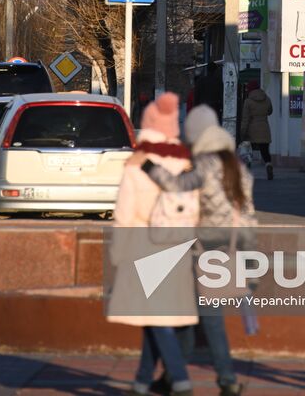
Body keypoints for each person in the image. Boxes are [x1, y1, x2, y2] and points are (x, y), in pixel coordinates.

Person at [136, 104, 255, 396]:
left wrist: (151, 168)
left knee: (205, 320)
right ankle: (172, 378)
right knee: (196, 318)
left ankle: (222, 380)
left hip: (203, 252)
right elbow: (249, 216)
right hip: (231, 249)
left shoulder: (205, 164)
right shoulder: (238, 167)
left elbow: (178, 186)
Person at [108, 92, 195, 396]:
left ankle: (180, 379)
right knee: (156, 317)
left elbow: (123, 214)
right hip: (178, 247)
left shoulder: (137, 163)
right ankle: (142, 381)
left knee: (157, 320)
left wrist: (118, 257)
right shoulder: (185, 164)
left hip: (143, 247)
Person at [240, 80, 274, 179]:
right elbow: (270, 111)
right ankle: (268, 165)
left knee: (247, 150)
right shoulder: (266, 99)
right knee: (265, 150)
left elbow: (245, 119)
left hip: (251, 129)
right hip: (264, 127)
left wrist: (242, 132)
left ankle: (247, 170)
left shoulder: (248, 101)